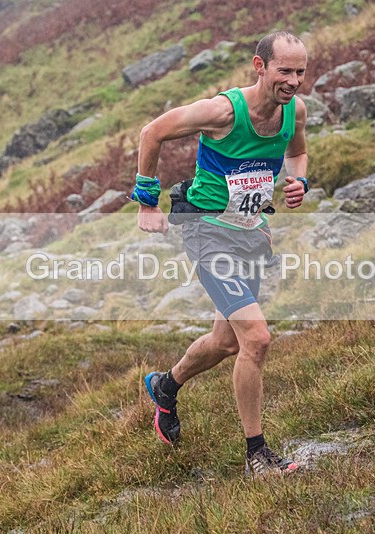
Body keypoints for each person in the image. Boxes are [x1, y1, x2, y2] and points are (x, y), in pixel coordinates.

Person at [132, 30, 309, 477]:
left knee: (227, 341)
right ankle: (258, 456)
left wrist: (298, 182)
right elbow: (152, 133)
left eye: (300, 72)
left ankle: (165, 387)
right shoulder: (223, 111)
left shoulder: (296, 112)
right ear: (260, 66)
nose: (292, 81)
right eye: (284, 70)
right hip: (207, 232)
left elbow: (299, 152)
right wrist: (147, 202)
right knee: (257, 338)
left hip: (250, 233)